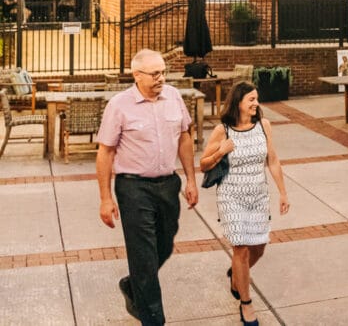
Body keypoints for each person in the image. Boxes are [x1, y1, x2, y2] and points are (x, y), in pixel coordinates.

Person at [96, 49, 198, 325]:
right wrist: (105, 199)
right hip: (133, 188)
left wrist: (190, 179)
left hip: (168, 185)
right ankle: (153, 319)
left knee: (163, 245)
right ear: (136, 75)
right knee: (142, 256)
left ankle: (132, 285)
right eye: (154, 74)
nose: (161, 78)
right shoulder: (119, 105)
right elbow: (105, 153)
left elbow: (185, 137)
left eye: (163, 72)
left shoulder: (174, 97)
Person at [199, 81, 289, 326]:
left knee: (259, 247)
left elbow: (273, 160)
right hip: (231, 196)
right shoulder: (223, 131)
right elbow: (204, 164)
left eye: (256, 99)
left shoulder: (264, 126)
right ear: (238, 101)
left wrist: (282, 192)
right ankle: (246, 304)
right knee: (241, 248)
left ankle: (235, 275)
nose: (256, 104)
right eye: (251, 99)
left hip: (258, 195)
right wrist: (221, 151)